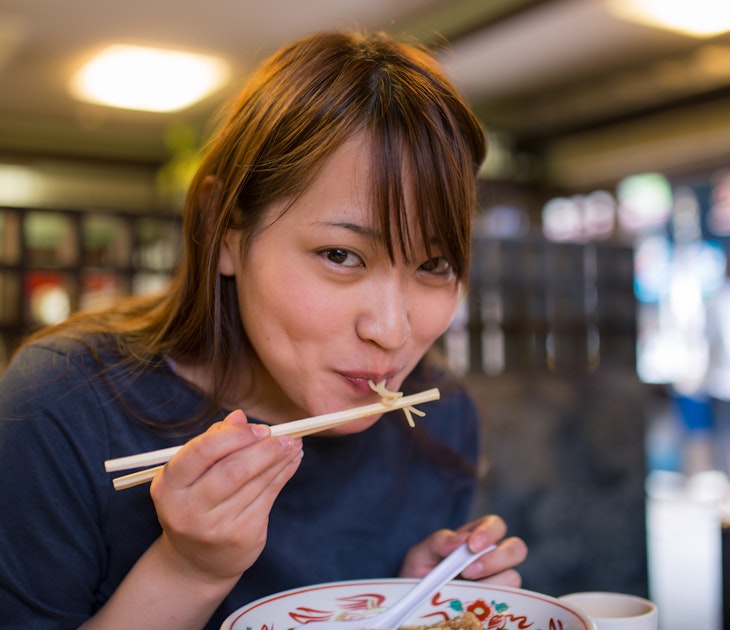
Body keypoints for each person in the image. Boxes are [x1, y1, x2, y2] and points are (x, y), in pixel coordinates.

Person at [0, 29, 527, 629]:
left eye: (433, 266)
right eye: (340, 254)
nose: (390, 329)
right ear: (225, 230)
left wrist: (404, 605)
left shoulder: (442, 417)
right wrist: (188, 570)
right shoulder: (65, 403)